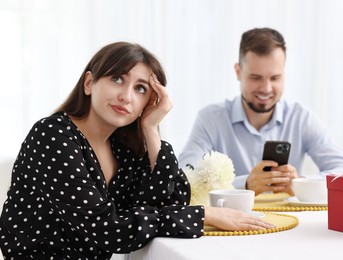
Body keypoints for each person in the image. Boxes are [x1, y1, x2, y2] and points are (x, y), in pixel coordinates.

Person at [0, 42, 274, 259]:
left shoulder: (121, 148)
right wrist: (206, 215)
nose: (126, 96)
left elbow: (172, 200)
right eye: (117, 79)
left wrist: (152, 130)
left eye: (140, 88)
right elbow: (108, 231)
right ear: (88, 83)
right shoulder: (53, 135)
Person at [179, 28, 343, 196]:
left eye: (275, 78)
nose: (266, 88)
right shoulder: (211, 119)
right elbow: (185, 175)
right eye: (256, 78)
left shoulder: (301, 118)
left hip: (293, 221)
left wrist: (301, 182)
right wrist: (244, 184)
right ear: (238, 72)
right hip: (232, 222)